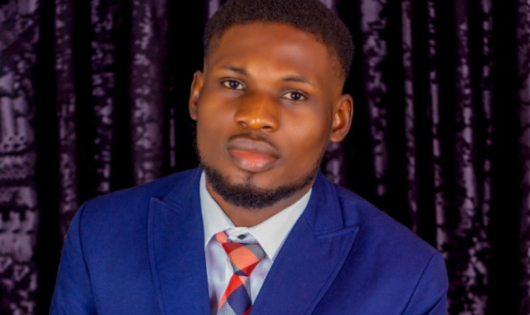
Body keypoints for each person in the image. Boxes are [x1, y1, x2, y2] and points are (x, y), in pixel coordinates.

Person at [49, 0, 448, 314]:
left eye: (294, 95)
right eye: (234, 83)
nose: (256, 116)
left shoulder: (406, 275)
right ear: (196, 95)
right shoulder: (100, 234)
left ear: (338, 120)